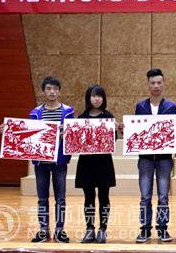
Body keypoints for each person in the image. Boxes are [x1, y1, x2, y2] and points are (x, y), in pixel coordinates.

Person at [134, 68, 176, 243]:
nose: (156, 86)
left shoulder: (171, 106)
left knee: (163, 196)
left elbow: (173, 131)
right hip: (145, 158)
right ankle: (145, 229)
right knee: (145, 196)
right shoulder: (140, 106)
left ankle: (162, 228)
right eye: (153, 83)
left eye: (159, 82)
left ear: (163, 83)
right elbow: (137, 130)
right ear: (148, 84)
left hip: (164, 158)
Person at [30, 77, 74, 243]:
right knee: (42, 199)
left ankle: (59, 230)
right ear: (43, 91)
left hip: (59, 162)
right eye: (48, 88)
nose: (52, 92)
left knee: (60, 199)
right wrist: (10, 130)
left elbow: (74, 134)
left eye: (55, 89)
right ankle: (44, 230)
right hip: (40, 162)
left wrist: (67, 133)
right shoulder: (35, 113)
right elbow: (28, 134)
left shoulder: (68, 111)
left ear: (59, 91)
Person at [75, 85, 117, 244]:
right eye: (93, 96)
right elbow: (76, 141)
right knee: (88, 197)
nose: (97, 99)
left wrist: (115, 130)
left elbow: (113, 140)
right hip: (86, 163)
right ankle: (89, 229)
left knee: (104, 196)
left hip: (104, 162)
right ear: (88, 98)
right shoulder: (81, 118)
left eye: (99, 96)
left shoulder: (108, 117)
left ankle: (103, 229)